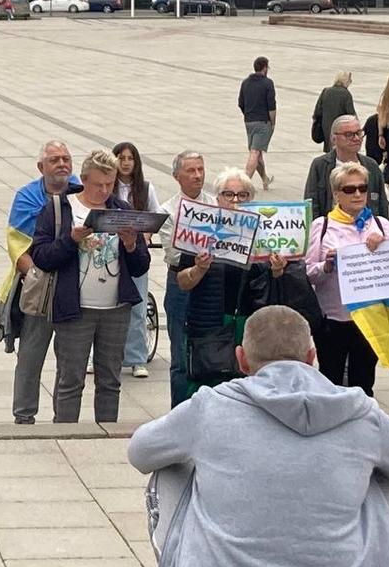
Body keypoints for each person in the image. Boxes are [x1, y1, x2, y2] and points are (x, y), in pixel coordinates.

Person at [129, 305, 389, 567]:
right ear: (311, 356)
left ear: (242, 360)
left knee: (169, 467)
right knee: (382, 472)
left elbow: (140, 452)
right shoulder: (361, 412)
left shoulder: (210, 406)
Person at [30, 149, 150, 423]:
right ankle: (66, 433)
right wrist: (71, 240)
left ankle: (106, 433)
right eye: (98, 185)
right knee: (70, 379)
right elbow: (41, 256)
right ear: (84, 179)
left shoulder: (122, 210)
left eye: (110, 185)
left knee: (110, 380)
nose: (104, 191)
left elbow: (141, 265)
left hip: (115, 309)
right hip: (75, 309)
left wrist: (131, 245)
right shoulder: (60, 208)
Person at [174, 170, 290, 400]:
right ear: (217, 198)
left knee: (249, 386)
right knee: (207, 385)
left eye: (242, 195)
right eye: (229, 194)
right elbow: (182, 282)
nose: (235, 200)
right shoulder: (202, 229)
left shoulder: (264, 235)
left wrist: (277, 270)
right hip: (210, 323)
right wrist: (200, 268)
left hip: (250, 323)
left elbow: (275, 288)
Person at [305, 161, 389, 397]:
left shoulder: (381, 225)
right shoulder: (322, 225)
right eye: (349, 189)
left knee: (364, 383)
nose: (357, 194)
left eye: (362, 188)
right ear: (336, 194)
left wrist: (384, 247)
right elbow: (308, 273)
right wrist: (326, 266)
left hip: (371, 317)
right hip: (333, 318)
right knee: (331, 381)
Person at [3, 141, 75, 424]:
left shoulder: (80, 191)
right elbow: (17, 245)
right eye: (55, 159)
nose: (62, 164)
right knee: (31, 356)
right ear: (41, 167)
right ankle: (24, 414)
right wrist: (39, 279)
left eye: (66, 159)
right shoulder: (27, 197)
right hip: (39, 286)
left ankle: (65, 416)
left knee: (70, 359)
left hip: (73, 287)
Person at [159, 151, 209, 408]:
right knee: (180, 355)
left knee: (211, 350)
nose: (198, 176)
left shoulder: (214, 205)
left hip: (211, 282)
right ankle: (178, 410)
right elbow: (174, 254)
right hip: (180, 283)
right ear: (177, 176)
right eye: (191, 171)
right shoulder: (168, 211)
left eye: (200, 169)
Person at [113, 142, 158, 379]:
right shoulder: (107, 187)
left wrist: (146, 237)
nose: (126, 162)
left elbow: (155, 215)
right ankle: (97, 356)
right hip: (111, 251)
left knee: (138, 309)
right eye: (121, 158)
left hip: (136, 250)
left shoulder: (145, 189)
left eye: (130, 158)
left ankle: (137, 358)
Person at [303, 115, 389, 219]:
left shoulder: (371, 166)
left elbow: (382, 206)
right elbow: (311, 204)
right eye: (349, 134)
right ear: (334, 138)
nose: (356, 138)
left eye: (359, 133)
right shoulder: (320, 166)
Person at [237, 56, 275, 190]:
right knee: (255, 152)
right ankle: (244, 184)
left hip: (249, 121)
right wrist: (273, 123)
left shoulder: (246, 82)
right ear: (264, 68)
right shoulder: (267, 83)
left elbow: (240, 103)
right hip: (262, 122)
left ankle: (265, 179)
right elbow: (271, 106)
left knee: (257, 152)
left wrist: (248, 114)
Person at [312, 71, 355, 153]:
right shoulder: (346, 94)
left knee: (329, 152)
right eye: (350, 80)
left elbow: (317, 112)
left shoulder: (326, 91)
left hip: (326, 128)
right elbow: (351, 115)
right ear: (345, 81)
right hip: (341, 129)